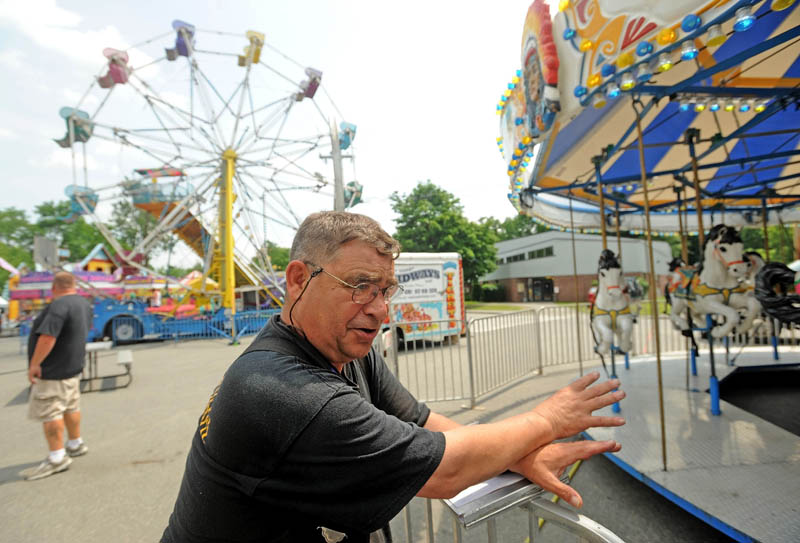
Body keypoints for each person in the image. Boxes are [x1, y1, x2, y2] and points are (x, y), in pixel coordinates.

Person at [161, 212, 625, 542]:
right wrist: (549, 418)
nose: (380, 309)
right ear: (298, 279)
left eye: (385, 290)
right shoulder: (281, 391)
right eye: (359, 286)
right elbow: (447, 469)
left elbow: (426, 424)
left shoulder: (348, 348)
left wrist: (519, 457)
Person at [21, 271, 92, 481]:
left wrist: (35, 364)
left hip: (53, 371)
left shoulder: (58, 306)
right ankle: (75, 443)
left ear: (54, 287)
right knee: (71, 406)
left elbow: (48, 337)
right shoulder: (83, 304)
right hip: (72, 368)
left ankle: (56, 457)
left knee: (52, 411)